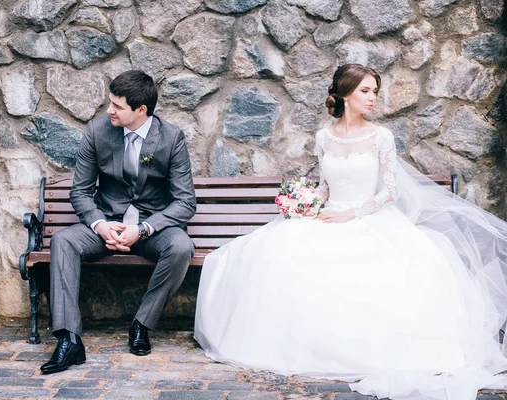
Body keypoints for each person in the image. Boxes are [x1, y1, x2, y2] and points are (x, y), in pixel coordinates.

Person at [194, 64, 507, 399]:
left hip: (369, 218)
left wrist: (352, 214)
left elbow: (390, 191)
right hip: (329, 216)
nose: (373, 98)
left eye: (374, 91)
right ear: (344, 94)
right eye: (365, 91)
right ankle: (305, 345)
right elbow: (326, 186)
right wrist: (307, 203)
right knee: (272, 257)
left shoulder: (380, 137)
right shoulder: (324, 137)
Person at [41, 70, 196, 374]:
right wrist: (100, 224)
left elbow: (185, 202)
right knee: (63, 240)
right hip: (107, 224)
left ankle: (141, 324)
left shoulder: (171, 138)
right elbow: (81, 192)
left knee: (181, 247)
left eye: (117, 106)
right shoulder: (98, 131)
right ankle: (69, 339)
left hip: (150, 229)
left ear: (141, 110)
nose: (109, 110)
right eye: (109, 102)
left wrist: (142, 229)